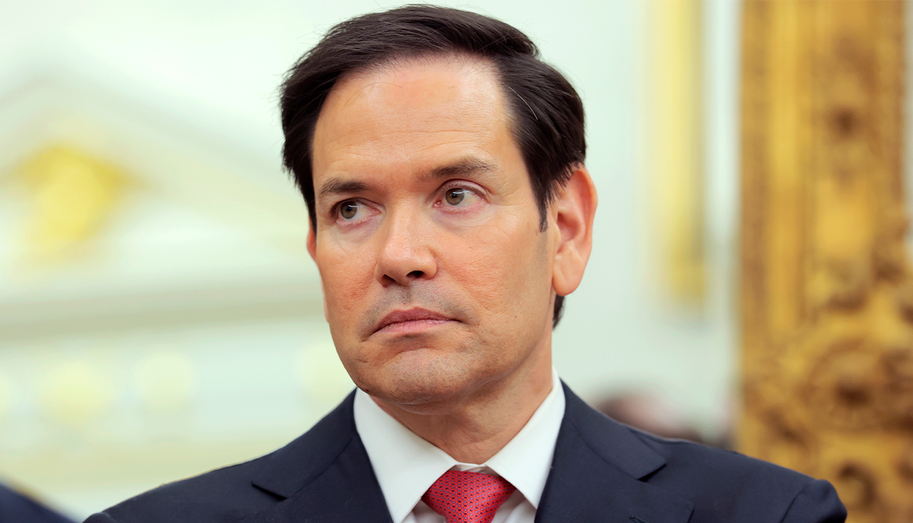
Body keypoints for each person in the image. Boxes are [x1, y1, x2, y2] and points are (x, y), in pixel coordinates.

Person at [85, 5, 847, 522]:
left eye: (456, 195)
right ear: (314, 246)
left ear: (567, 228)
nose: (399, 256)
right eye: (351, 208)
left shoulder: (763, 513)